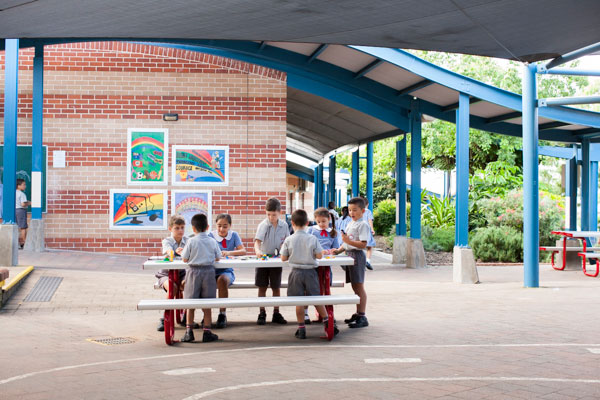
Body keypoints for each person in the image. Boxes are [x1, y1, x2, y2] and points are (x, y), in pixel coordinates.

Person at [281, 209, 335, 339]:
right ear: (307, 223)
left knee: (299, 301)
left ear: (292, 223)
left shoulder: (289, 239)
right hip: (311, 272)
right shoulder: (312, 238)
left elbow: (283, 258)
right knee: (316, 298)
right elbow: (319, 255)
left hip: (296, 273)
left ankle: (301, 328)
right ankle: (328, 322)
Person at [181, 213, 221, 343]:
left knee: (190, 303)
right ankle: (207, 332)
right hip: (208, 272)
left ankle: (189, 331)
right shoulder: (212, 241)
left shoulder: (191, 241)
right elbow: (218, 257)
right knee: (207, 303)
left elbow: (185, 258)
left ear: (193, 228)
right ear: (208, 227)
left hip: (193, 272)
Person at [333, 197, 369, 328]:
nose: (351, 213)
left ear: (363, 211)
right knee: (354, 286)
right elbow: (346, 241)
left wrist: (348, 242)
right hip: (349, 255)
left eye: (355, 210)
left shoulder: (363, 224)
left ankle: (362, 315)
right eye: (349, 210)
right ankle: (358, 312)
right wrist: (337, 251)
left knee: (359, 286)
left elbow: (363, 244)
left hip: (357, 256)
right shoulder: (350, 223)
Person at [155, 215, 196, 332]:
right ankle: (165, 318)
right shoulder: (167, 241)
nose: (180, 231)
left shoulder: (188, 240)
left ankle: (187, 317)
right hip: (166, 274)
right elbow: (168, 252)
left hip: (183, 273)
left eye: (182, 228)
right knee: (172, 288)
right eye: (177, 228)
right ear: (170, 229)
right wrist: (175, 252)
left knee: (189, 286)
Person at [254, 197, 289, 325]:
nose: (271, 217)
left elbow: (286, 242)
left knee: (276, 286)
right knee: (262, 286)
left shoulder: (284, 225)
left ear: (279, 213)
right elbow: (257, 243)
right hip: (263, 259)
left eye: (273, 215)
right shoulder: (263, 225)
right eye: (268, 214)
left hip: (276, 260)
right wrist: (258, 251)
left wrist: (285, 252)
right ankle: (262, 312)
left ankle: (276, 312)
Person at [209, 213, 246, 329]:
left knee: (222, 280)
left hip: (226, 271)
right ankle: (207, 314)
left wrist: (229, 252)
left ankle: (222, 314)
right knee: (204, 281)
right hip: (211, 271)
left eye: (225, 226)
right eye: (219, 225)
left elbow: (243, 251)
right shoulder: (210, 236)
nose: (221, 229)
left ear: (230, 226)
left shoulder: (233, 235)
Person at [305, 207, 340, 324]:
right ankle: (306, 312)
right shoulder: (311, 230)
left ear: (329, 219)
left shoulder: (333, 232)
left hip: (326, 265)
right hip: (313, 264)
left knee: (326, 287)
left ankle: (327, 313)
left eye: (324, 221)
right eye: (318, 222)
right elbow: (306, 245)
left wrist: (330, 251)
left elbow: (336, 248)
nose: (321, 224)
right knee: (310, 288)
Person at [16, 179, 31, 249]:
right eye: (23, 184)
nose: (25, 186)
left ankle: (17, 243)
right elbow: (22, 204)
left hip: (14, 210)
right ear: (18, 186)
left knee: (16, 226)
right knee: (23, 227)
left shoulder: (13, 192)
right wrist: (30, 203)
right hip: (21, 211)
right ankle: (25, 242)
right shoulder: (22, 194)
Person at [362, 197, 376, 270]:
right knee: (369, 247)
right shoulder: (368, 212)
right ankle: (367, 261)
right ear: (367, 204)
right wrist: (372, 229)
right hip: (367, 230)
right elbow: (370, 220)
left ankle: (361, 263)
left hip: (359, 231)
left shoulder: (359, 211)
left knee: (359, 248)